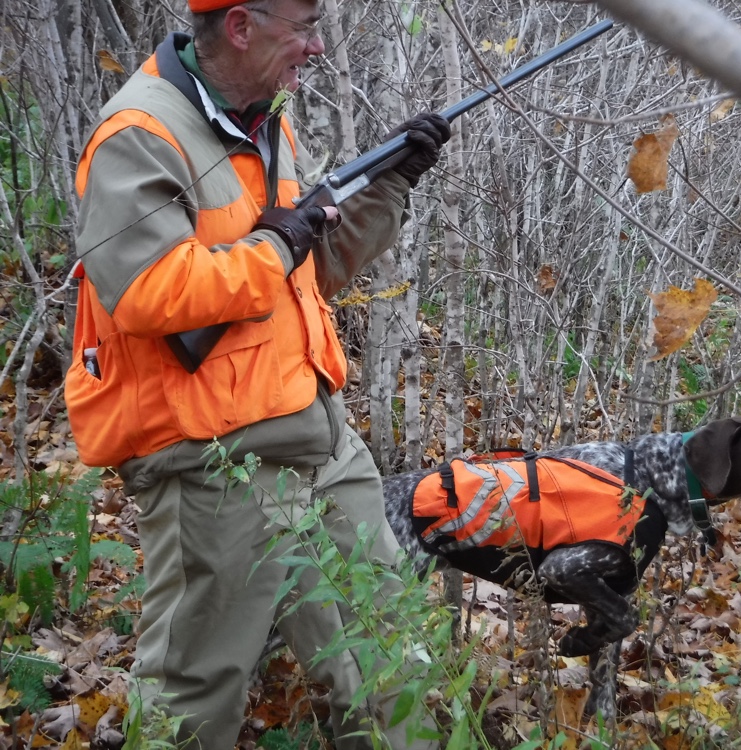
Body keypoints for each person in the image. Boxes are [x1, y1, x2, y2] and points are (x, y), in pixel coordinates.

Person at [65, 0, 450, 747]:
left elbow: (304, 276)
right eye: (303, 27)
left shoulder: (261, 118)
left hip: (318, 440)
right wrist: (277, 245)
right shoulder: (139, 134)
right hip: (215, 462)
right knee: (193, 697)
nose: (318, 46)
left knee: (386, 665)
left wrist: (392, 184)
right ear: (241, 26)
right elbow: (145, 289)